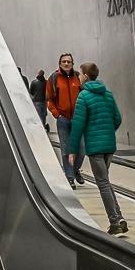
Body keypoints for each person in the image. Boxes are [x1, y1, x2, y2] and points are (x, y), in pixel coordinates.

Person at [69, 62, 128, 236]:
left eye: (80, 74)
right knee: (105, 181)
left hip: (95, 147)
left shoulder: (84, 96)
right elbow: (117, 119)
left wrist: (72, 149)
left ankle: (114, 221)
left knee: (102, 183)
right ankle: (120, 217)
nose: (78, 77)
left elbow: (78, 125)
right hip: (109, 146)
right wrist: (107, 132)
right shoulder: (108, 94)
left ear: (86, 76)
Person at [46, 52, 86, 187]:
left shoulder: (77, 78)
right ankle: (70, 177)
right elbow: (49, 99)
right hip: (63, 119)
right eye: (64, 61)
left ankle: (75, 170)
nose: (66, 63)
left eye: (69, 61)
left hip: (77, 119)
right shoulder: (53, 78)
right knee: (66, 149)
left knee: (81, 149)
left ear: (72, 63)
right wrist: (56, 114)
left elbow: (84, 96)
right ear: (60, 63)